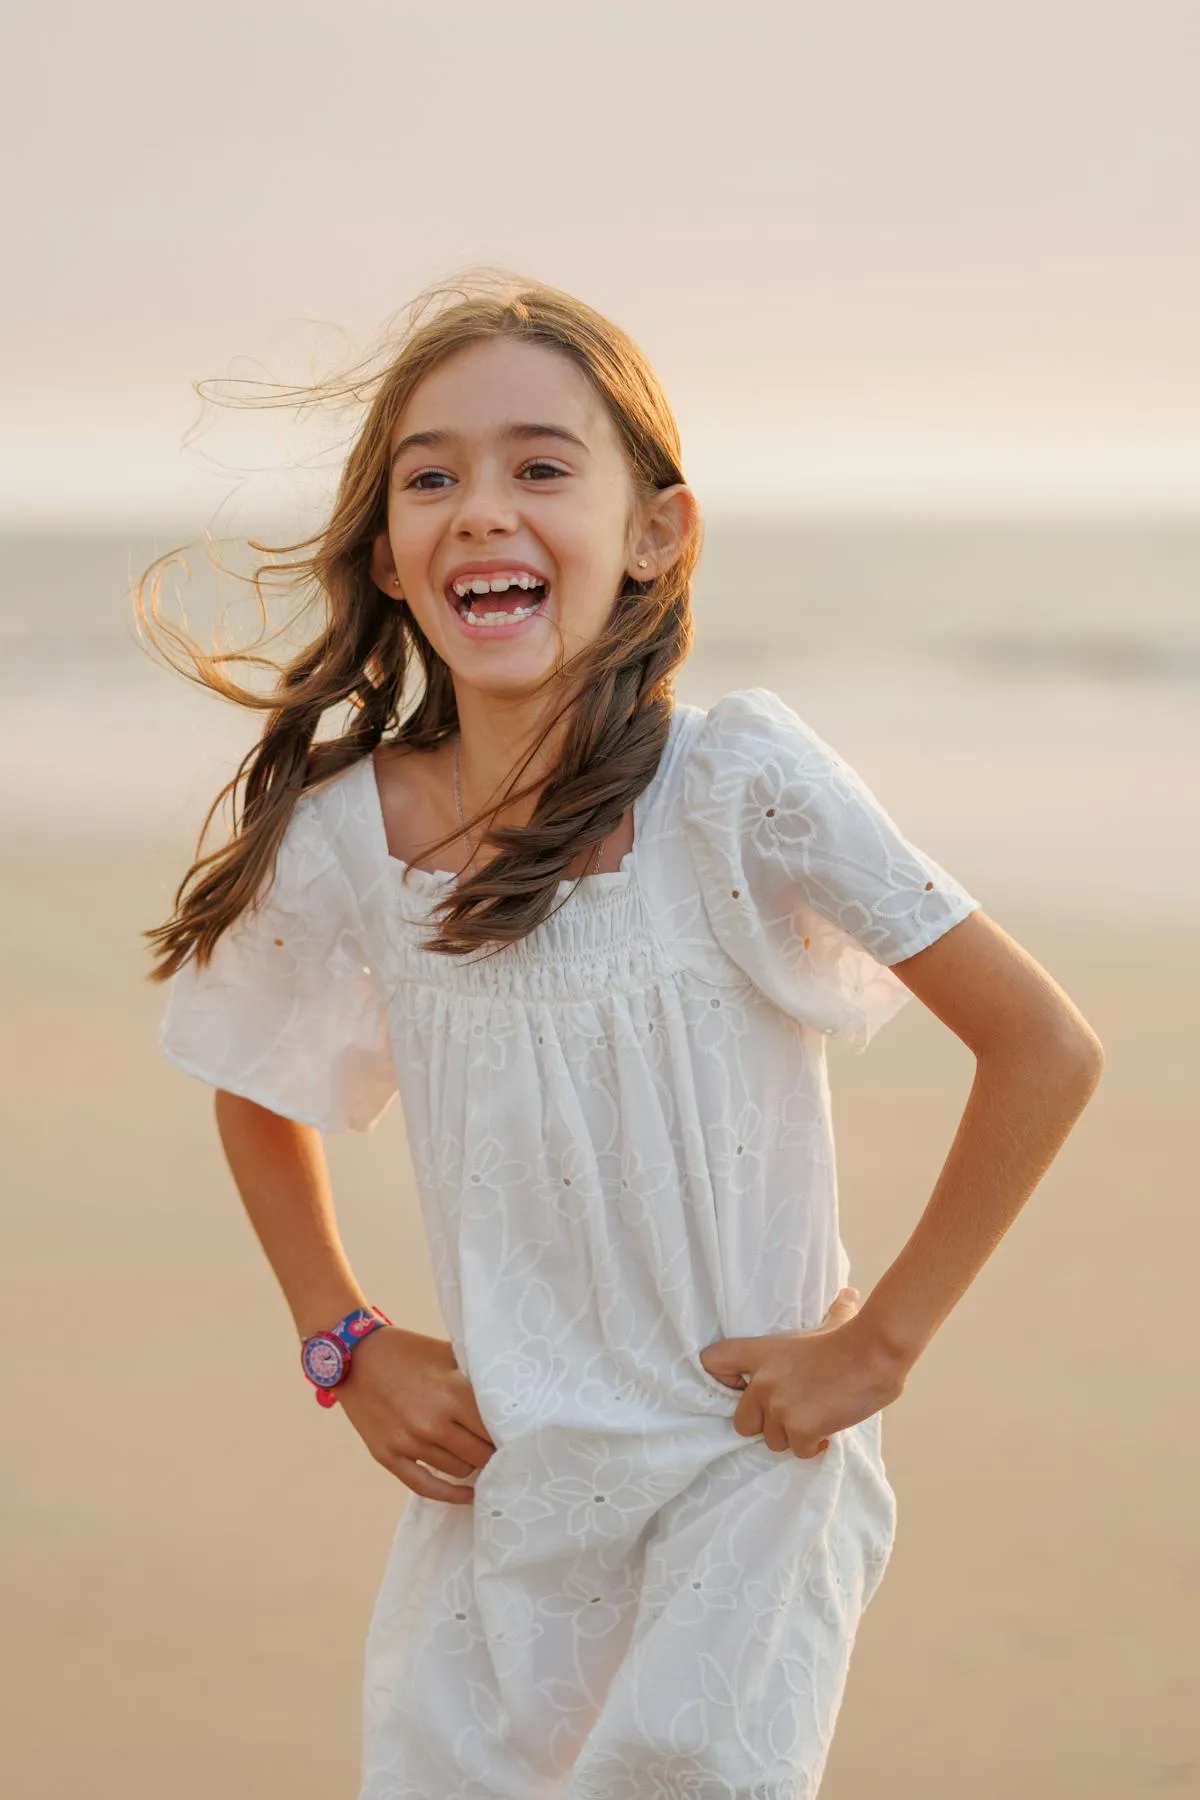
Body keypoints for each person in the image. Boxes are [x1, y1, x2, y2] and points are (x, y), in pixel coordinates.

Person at [144, 269, 1104, 1799]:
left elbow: (1045, 1047)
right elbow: (255, 1082)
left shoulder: (739, 789)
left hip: (750, 1482)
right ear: (390, 556)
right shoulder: (350, 839)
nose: (480, 508)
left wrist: (880, 1345)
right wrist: (345, 1342)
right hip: (505, 1493)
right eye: (431, 476)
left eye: (541, 466)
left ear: (657, 532)